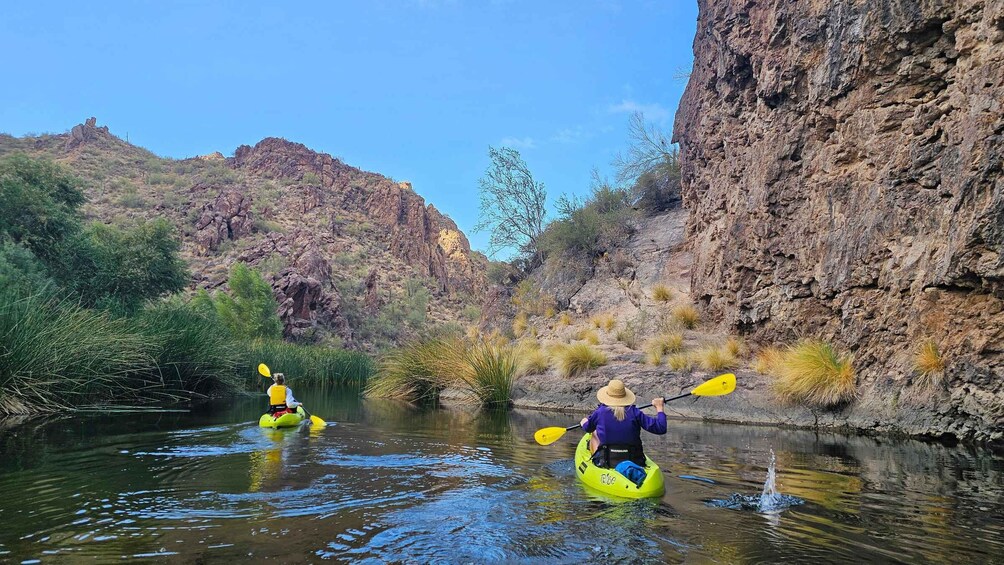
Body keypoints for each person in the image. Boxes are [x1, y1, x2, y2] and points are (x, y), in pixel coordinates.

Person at [579, 379, 666, 469]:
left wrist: (584, 422)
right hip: (635, 461)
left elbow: (588, 428)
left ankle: (596, 464)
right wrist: (659, 407)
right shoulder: (635, 412)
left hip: (607, 462)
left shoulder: (600, 412)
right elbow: (661, 428)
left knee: (594, 432)